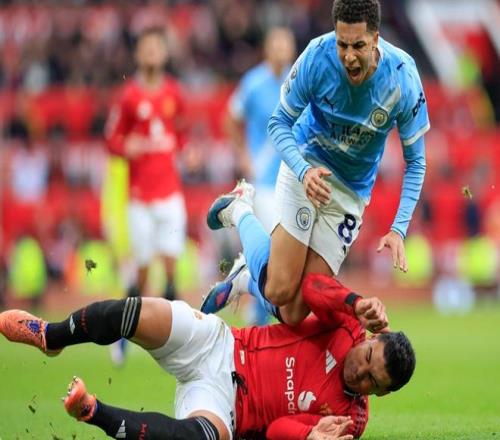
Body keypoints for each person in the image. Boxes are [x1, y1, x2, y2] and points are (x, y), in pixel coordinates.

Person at [203, 0, 429, 325]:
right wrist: (303, 170)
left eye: (358, 46)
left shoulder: (403, 78)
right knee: (280, 290)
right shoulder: (316, 56)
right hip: (307, 166)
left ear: (376, 39)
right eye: (342, 44)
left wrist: (398, 229)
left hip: (350, 193)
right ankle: (239, 209)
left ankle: (245, 277)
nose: (348, 56)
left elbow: (416, 162)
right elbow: (279, 122)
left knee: (295, 313)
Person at [0, 273, 415, 440]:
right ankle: (50, 336)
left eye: (371, 381)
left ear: (381, 393)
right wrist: (354, 300)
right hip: (220, 343)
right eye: (367, 357)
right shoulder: (350, 323)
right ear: (373, 337)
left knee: (201, 439)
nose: (359, 371)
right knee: (133, 313)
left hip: (227, 407)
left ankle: (92, 411)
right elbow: (309, 288)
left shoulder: (350, 420)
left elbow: (275, 432)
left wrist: (310, 437)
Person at [105, 27, 187, 302]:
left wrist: (188, 152)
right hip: (139, 196)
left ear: (164, 54)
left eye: (156, 47)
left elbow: (182, 134)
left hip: (170, 191)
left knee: (171, 267)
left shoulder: (174, 93)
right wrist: (125, 147)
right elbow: (111, 139)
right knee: (142, 268)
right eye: (146, 47)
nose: (152, 52)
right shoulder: (128, 96)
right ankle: (129, 314)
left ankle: (171, 319)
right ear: (138, 54)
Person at [224, 27, 296, 325]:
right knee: (272, 248)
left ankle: (252, 295)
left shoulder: (297, 81)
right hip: (265, 179)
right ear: (267, 48)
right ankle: (257, 311)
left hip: (293, 179)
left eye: (285, 45)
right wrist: (243, 156)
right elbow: (230, 118)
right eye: (276, 44)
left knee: (284, 250)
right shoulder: (253, 83)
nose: (281, 50)